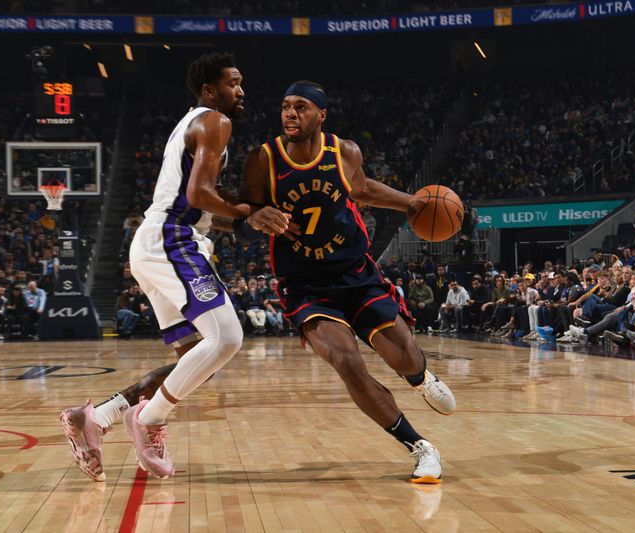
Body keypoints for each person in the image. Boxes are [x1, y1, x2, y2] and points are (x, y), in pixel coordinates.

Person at [59, 52, 288, 482]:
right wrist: (246, 213)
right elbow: (201, 194)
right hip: (172, 242)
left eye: (241, 83)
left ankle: (97, 417)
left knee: (194, 361)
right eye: (233, 83)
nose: (241, 91)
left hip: (158, 240)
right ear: (209, 90)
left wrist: (232, 222)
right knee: (228, 338)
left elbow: (192, 202)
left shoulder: (190, 123)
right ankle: (147, 421)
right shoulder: (216, 122)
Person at [238, 81, 455, 483]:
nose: (289, 114)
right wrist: (252, 220)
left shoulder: (344, 151)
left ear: (321, 115)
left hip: (356, 273)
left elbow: (363, 189)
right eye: (285, 106)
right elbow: (243, 216)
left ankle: (420, 377)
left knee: (405, 355)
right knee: (346, 361)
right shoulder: (262, 159)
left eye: (300, 107)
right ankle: (419, 446)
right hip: (304, 285)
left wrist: (411, 202)